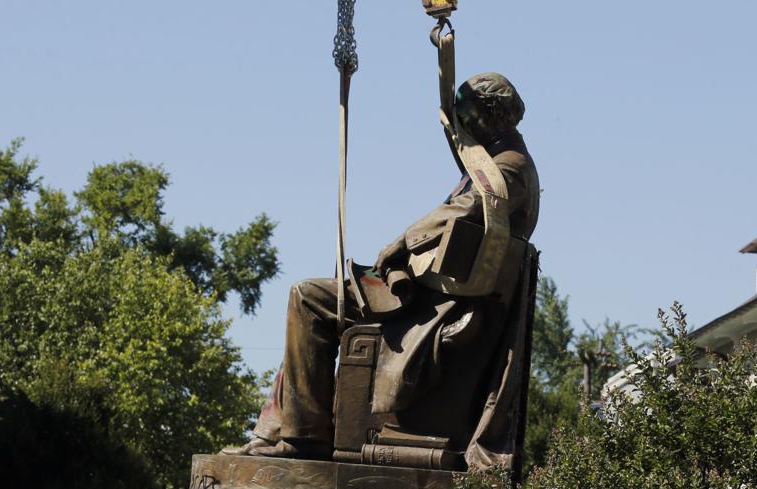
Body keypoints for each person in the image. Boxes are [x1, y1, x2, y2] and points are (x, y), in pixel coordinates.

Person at [226, 72, 539, 468]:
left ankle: (301, 438)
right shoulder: (496, 159)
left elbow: (465, 209)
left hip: (439, 304)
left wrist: (402, 242)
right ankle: (276, 431)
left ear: (492, 114)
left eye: (469, 115)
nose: (462, 126)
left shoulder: (508, 168)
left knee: (309, 297)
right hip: (434, 292)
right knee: (311, 298)